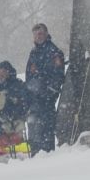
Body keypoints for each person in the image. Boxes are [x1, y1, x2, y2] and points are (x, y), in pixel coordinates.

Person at [24, 23, 66, 152]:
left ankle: (47, 157)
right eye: (36, 34)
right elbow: (29, 75)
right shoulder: (34, 53)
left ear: (46, 34)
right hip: (33, 99)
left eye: (41, 33)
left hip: (46, 100)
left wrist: (49, 93)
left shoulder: (54, 52)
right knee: (33, 131)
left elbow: (58, 76)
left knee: (46, 132)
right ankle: (36, 155)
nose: (38, 36)